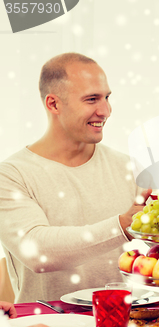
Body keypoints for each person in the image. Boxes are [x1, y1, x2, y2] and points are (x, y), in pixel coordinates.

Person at [0, 53, 151, 303]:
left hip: (119, 322)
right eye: (92, 99)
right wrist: (122, 225)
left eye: (107, 98)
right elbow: (37, 252)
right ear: (54, 104)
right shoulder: (11, 175)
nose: (106, 111)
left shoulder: (129, 167)